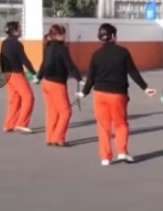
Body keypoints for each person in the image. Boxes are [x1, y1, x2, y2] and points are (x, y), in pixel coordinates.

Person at [81, 23, 156, 166]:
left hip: (99, 94)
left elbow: (90, 77)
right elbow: (132, 72)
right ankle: (122, 152)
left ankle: (105, 158)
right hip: (117, 95)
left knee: (103, 126)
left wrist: (84, 92)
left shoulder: (95, 54)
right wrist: (145, 87)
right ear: (113, 36)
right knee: (120, 124)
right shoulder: (123, 52)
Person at [35, 24, 82, 147]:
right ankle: (58, 138)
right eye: (62, 34)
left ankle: (50, 138)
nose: (64, 36)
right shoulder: (62, 49)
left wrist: (39, 77)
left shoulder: (48, 47)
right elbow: (70, 65)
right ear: (57, 35)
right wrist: (79, 78)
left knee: (52, 112)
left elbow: (43, 64)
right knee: (66, 112)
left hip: (46, 83)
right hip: (57, 84)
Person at [0, 21, 36, 133]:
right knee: (29, 97)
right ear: (15, 31)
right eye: (20, 28)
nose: (21, 30)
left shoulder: (4, 43)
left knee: (15, 99)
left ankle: (9, 124)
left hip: (7, 74)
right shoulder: (17, 44)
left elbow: (2, 58)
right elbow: (24, 60)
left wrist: (3, 72)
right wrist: (34, 73)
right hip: (16, 74)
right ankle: (21, 123)